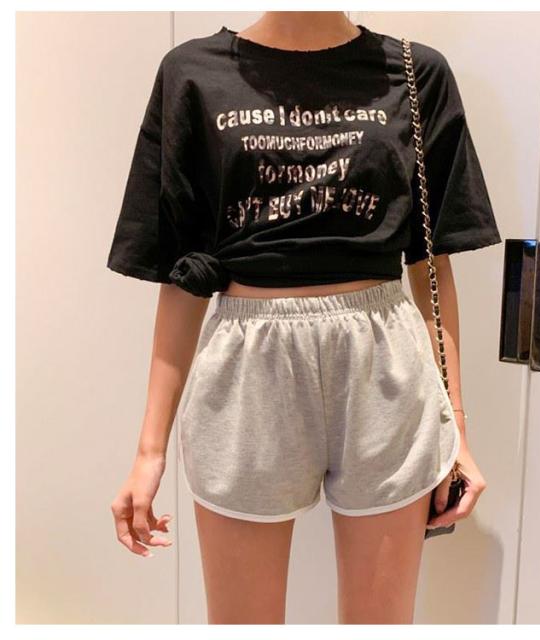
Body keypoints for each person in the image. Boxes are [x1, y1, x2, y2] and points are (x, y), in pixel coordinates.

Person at [107, 11, 500, 624]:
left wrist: (459, 432)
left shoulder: (415, 72)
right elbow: (185, 272)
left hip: (383, 366)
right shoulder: (192, 73)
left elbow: (430, 263)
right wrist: (148, 450)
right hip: (248, 365)